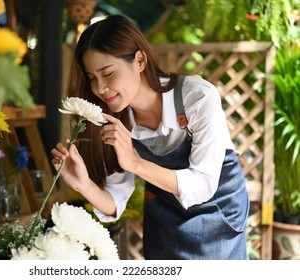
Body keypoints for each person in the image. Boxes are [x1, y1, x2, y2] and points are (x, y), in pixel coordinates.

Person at [51, 15, 250, 260]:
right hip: (164, 222)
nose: (99, 88)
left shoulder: (197, 98)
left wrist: (135, 163)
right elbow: (116, 199)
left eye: (108, 73)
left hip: (218, 215)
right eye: (92, 78)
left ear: (140, 60)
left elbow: (203, 185)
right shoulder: (114, 121)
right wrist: (83, 184)